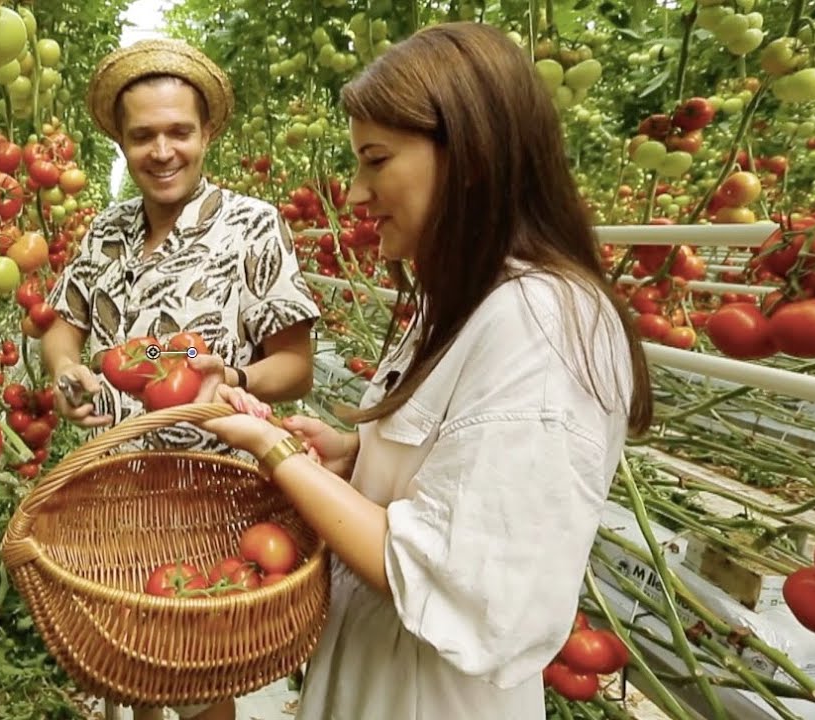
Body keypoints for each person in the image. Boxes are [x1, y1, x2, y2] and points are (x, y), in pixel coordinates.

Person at [193, 22, 654, 720]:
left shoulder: (541, 324)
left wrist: (278, 451)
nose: (352, 194)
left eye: (376, 160)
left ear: (468, 154)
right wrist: (355, 457)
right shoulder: (470, 300)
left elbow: (455, 578)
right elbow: (453, 476)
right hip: (382, 677)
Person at [39, 38, 321, 720]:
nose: (162, 151)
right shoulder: (105, 232)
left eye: (179, 132)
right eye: (142, 137)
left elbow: (297, 364)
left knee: (196, 669)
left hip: (208, 484)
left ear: (207, 134)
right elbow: (61, 321)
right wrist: (67, 373)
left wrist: (237, 374)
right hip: (113, 477)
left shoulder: (252, 227)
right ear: (122, 142)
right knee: (136, 650)